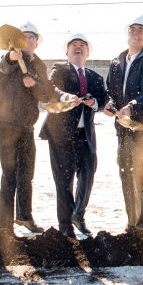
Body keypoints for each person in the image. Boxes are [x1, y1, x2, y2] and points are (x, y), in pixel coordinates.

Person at [103, 16, 143, 230]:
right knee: (126, 172)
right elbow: (111, 91)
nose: (136, 33)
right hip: (124, 130)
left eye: (141, 30)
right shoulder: (117, 62)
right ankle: (133, 222)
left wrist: (131, 107)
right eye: (133, 29)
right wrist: (110, 104)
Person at [41, 33, 110, 238]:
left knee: (87, 175)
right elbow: (51, 88)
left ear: (88, 52)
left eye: (82, 45)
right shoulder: (60, 69)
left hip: (85, 135)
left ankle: (77, 214)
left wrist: (94, 102)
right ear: (67, 51)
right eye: (74, 45)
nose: (78, 47)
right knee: (64, 180)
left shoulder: (95, 77)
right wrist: (65, 96)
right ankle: (65, 226)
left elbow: (104, 99)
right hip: (61, 134)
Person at [0, 22, 54, 236]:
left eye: (31, 37)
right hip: (6, 125)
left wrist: (34, 83)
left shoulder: (40, 65)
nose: (28, 40)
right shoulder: (11, 58)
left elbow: (46, 95)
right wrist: (12, 57)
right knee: (9, 174)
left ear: (37, 42)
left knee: (27, 174)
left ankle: (24, 216)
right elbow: (4, 64)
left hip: (27, 126)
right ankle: (5, 226)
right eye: (24, 36)